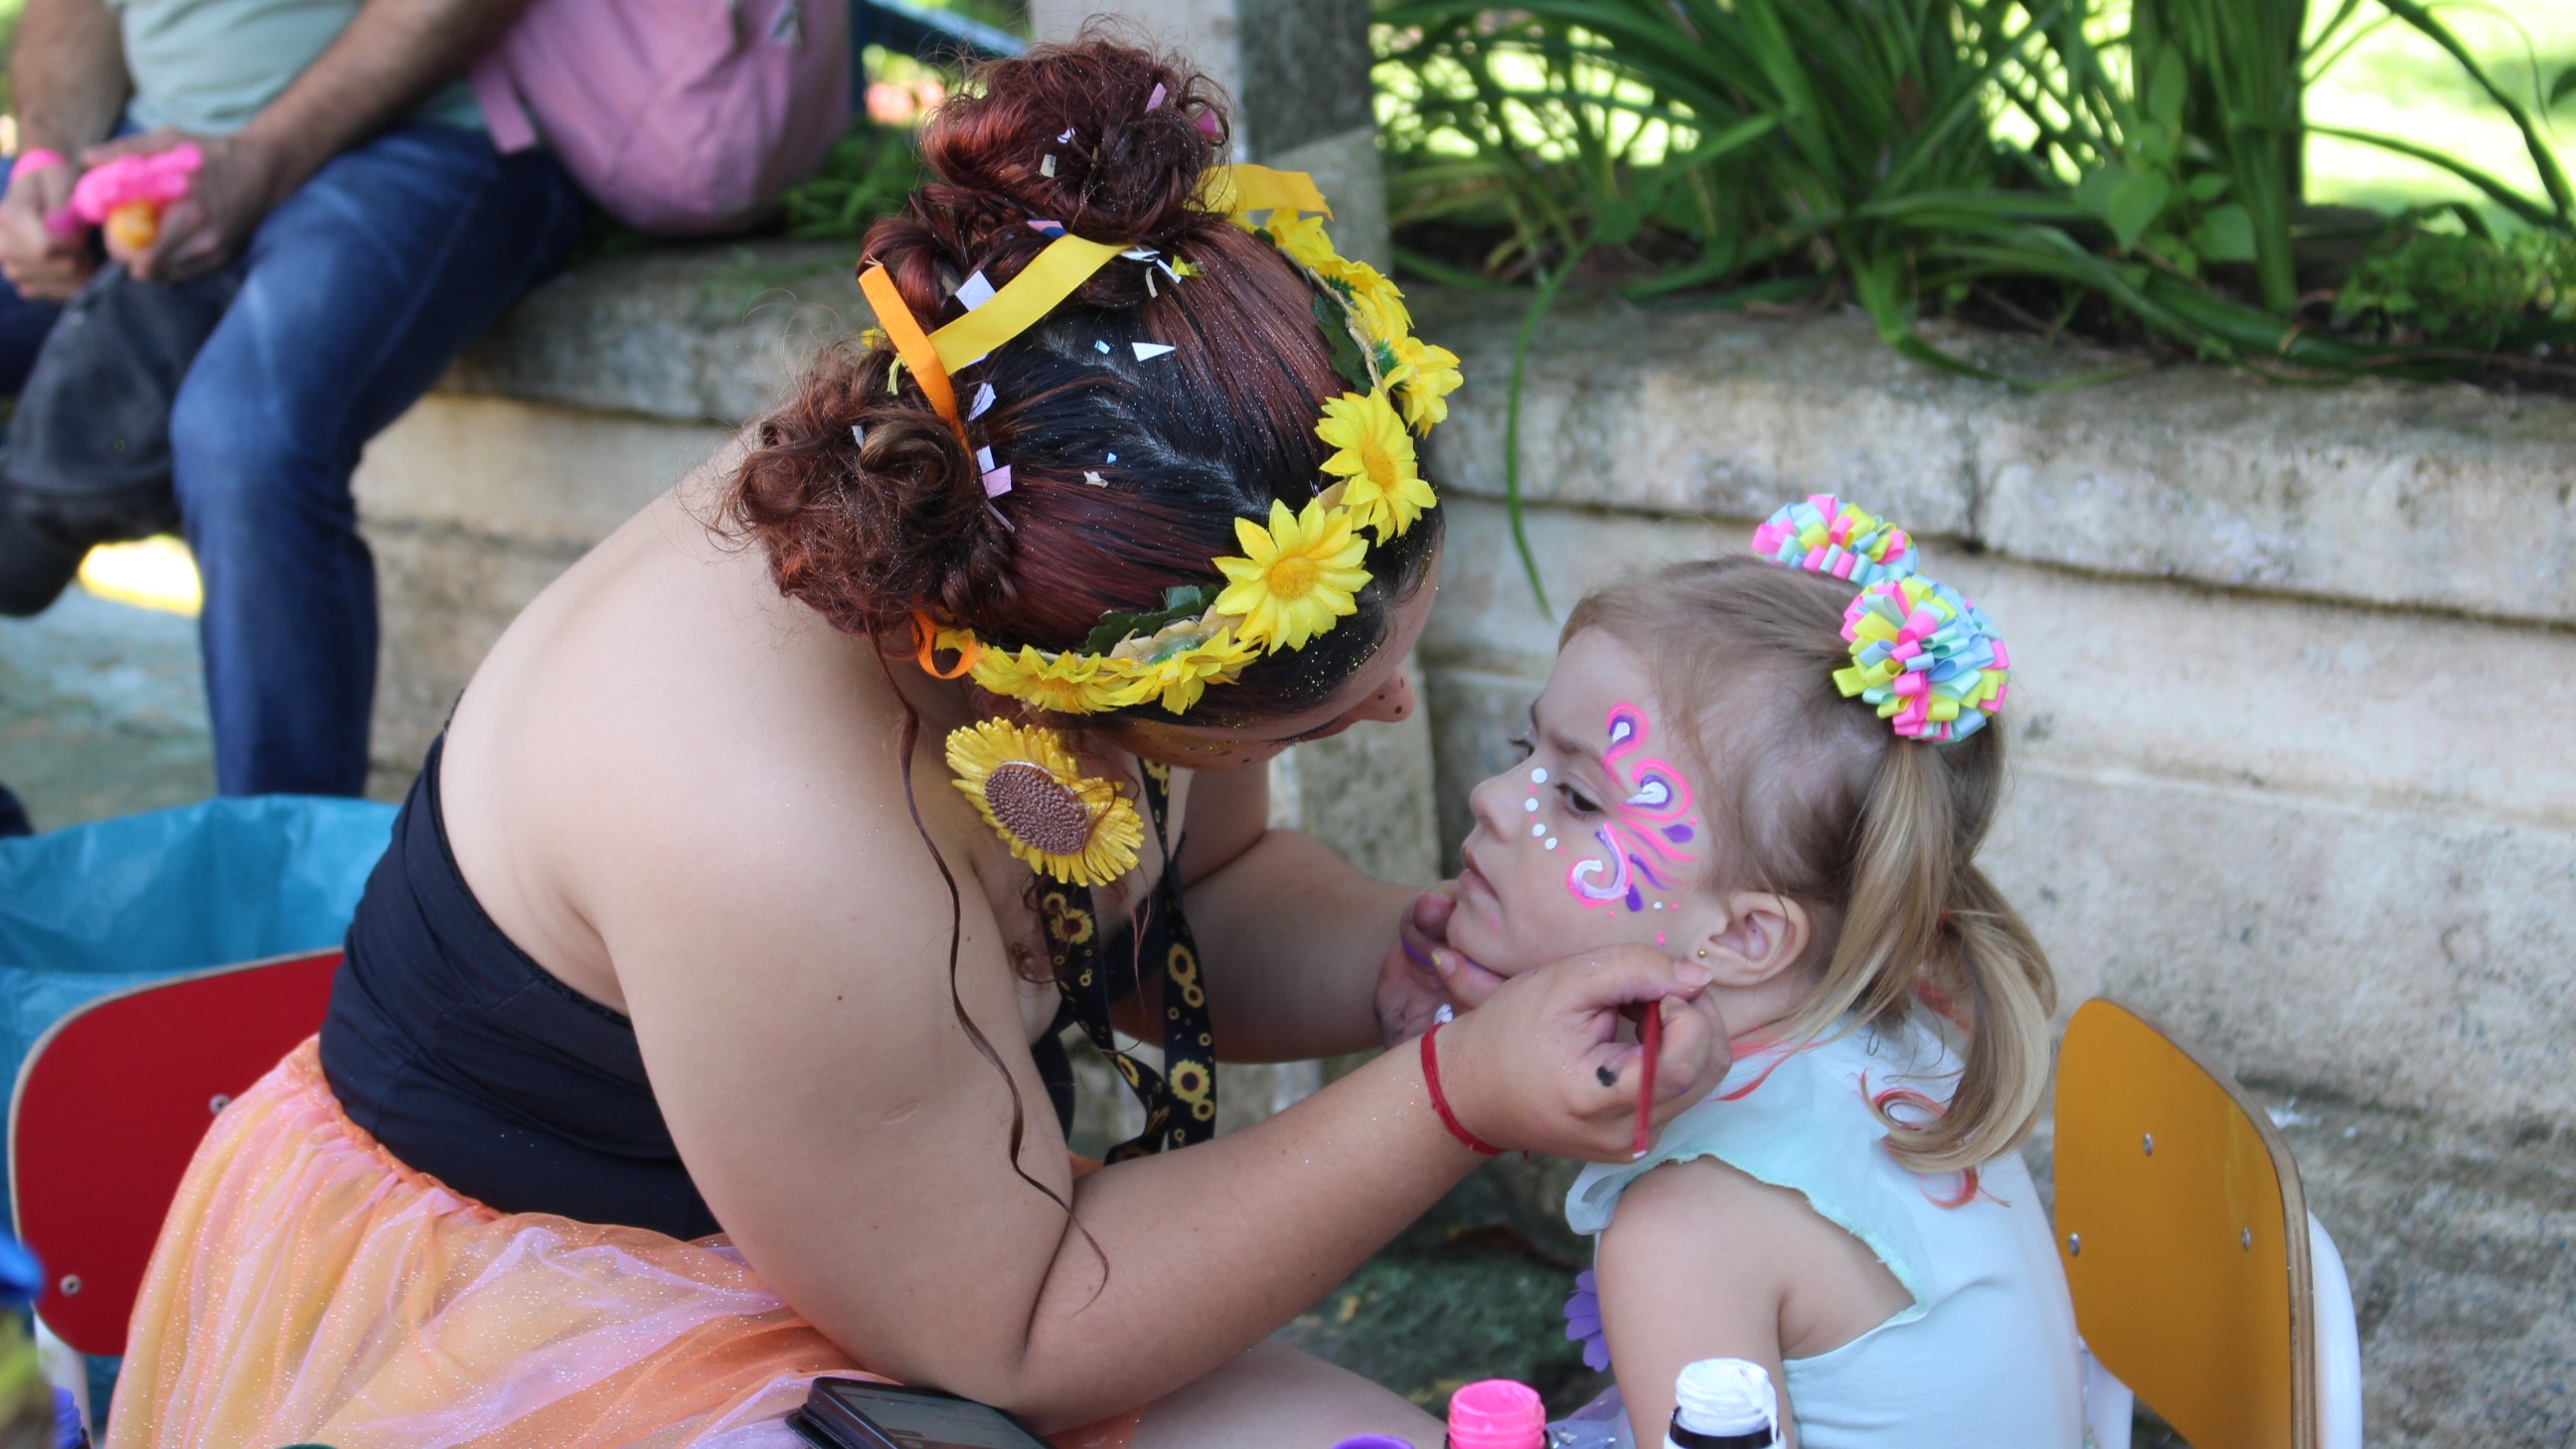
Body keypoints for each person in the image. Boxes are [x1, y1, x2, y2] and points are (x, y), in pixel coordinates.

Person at [105, 40, 1731, 1449]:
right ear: (1088, 686)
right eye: (1331, 705)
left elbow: (1191, 906)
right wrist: (1453, 1093)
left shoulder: (1086, 499)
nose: (1391, 710)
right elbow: (1012, 1319)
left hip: (917, 1216)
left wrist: (1441, 960)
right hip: (563, 1296)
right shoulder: (768, 826)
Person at [1433, 501, 2081, 1446]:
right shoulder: (1898, 1036)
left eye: (1575, 796)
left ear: (1741, 939)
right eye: (1524, 753)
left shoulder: (1685, 1229)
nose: (1493, 800)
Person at [0, 0, 583, 796]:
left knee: (245, 435)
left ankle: (284, 889)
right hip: (147, 153)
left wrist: (255, 160)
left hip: (433, 140)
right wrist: (46, 164)